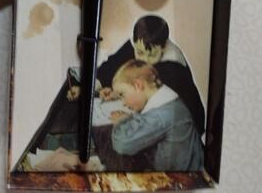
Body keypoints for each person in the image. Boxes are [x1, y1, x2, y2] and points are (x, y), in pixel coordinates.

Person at [67, 15, 206, 135]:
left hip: (181, 132)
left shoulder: (174, 67)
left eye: (152, 55)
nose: (145, 60)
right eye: (139, 53)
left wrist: (121, 96)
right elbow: (110, 67)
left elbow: (156, 107)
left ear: (164, 47)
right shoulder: (138, 44)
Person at [110, 59, 204, 171]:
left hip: (185, 177)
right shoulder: (168, 102)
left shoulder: (162, 115)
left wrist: (121, 121)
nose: (123, 103)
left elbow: (122, 144)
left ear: (138, 85)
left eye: (122, 95)